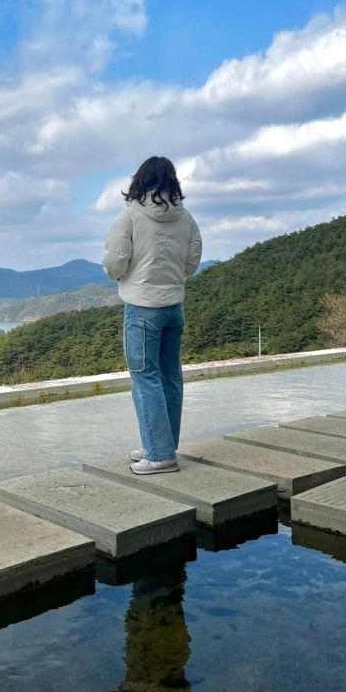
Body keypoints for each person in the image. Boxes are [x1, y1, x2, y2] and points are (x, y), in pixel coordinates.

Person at [103, 156, 202, 474]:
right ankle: (161, 444)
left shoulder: (131, 215)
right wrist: (175, 278)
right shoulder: (185, 218)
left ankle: (160, 455)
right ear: (173, 182)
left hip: (143, 309)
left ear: (140, 181)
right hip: (174, 307)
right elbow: (193, 258)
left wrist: (121, 276)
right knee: (171, 376)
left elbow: (115, 259)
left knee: (145, 378)